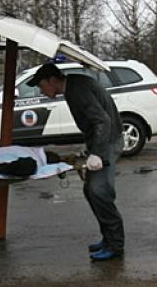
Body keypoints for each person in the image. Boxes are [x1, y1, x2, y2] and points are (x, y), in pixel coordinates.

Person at [26, 63, 124, 261]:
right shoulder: (74, 87)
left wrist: (96, 153)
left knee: (99, 192)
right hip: (103, 141)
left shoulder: (77, 89)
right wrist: (89, 148)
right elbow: (94, 121)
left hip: (108, 142)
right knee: (91, 191)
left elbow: (102, 121)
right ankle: (108, 239)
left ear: (52, 80)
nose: (41, 90)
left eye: (41, 85)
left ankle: (115, 245)